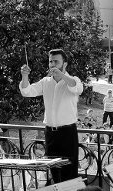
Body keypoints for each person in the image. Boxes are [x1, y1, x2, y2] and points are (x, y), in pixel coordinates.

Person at [20, 49, 84, 183]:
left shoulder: (73, 80)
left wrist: (61, 74)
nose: (53, 64)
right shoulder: (45, 82)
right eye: (50, 61)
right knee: (55, 172)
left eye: (56, 61)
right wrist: (25, 76)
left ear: (64, 64)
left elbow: (77, 87)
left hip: (68, 133)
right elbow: (27, 91)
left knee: (69, 173)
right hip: (50, 133)